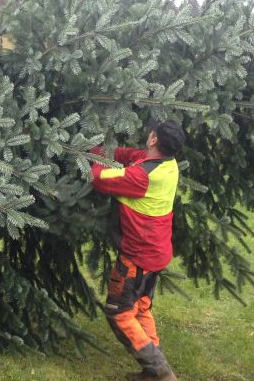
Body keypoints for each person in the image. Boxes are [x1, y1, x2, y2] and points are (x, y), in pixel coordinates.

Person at [90, 120, 185, 381]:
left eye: (151, 133)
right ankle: (154, 371)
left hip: (137, 256)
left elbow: (99, 178)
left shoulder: (142, 176)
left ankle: (161, 372)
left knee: (119, 311)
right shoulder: (167, 164)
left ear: (154, 139)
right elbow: (129, 155)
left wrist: (88, 160)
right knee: (141, 309)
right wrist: (98, 150)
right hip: (156, 253)